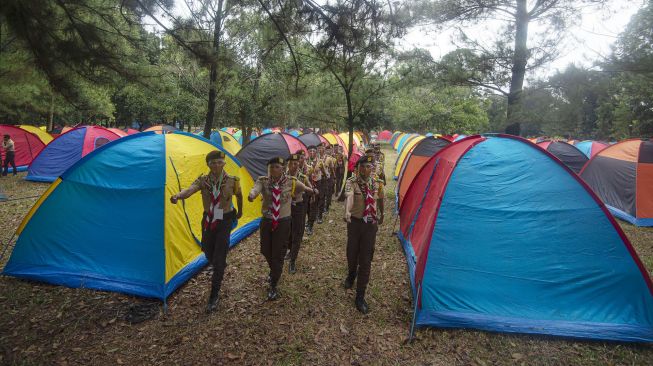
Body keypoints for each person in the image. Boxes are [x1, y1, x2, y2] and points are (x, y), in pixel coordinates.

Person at [170, 150, 243, 313]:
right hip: (209, 219)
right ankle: (218, 262)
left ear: (224, 163)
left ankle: (214, 294)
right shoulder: (203, 181)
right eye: (213, 163)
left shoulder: (232, 181)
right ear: (208, 165)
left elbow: (239, 195)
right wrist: (178, 196)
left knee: (219, 257)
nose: (216, 165)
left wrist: (240, 212)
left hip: (224, 220)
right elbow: (189, 190)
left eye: (219, 162)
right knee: (207, 249)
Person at [248, 157, 316, 300]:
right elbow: (255, 189)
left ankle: (273, 284)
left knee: (278, 253)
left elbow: (304, 187)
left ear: (283, 168)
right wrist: (252, 195)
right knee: (265, 250)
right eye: (271, 167)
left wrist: (312, 191)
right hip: (267, 221)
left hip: (283, 222)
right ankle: (274, 269)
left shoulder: (291, 182)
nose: (274, 170)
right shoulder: (263, 181)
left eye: (277, 167)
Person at [343, 155, 384, 314]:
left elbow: (379, 199)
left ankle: (360, 296)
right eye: (363, 166)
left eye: (369, 166)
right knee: (352, 254)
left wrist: (383, 213)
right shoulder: (351, 182)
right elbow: (350, 197)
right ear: (358, 168)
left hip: (370, 225)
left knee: (366, 259)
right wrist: (347, 211)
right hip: (355, 223)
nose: (366, 169)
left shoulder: (377, 184)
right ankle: (351, 273)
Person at [286, 153, 314, 274]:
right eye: (291, 164)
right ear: (288, 165)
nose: (294, 166)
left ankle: (293, 260)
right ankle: (290, 250)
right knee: (288, 232)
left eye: (296, 164)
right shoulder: (283, 177)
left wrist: (307, 191)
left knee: (297, 233)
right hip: (286, 208)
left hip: (299, 208)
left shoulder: (302, 178)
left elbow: (311, 190)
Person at [305, 146, 324, 235]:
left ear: (316, 152)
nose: (312, 152)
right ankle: (308, 220)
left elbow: (325, 172)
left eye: (314, 151)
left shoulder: (320, 162)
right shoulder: (305, 161)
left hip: (317, 184)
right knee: (307, 205)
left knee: (313, 204)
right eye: (310, 151)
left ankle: (310, 225)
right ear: (308, 152)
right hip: (307, 184)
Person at [323, 144, 336, 213]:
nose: (329, 151)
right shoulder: (323, 158)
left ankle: (327, 206)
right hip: (324, 177)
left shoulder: (333, 158)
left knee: (329, 192)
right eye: (328, 150)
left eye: (331, 150)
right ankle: (324, 206)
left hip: (330, 177)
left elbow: (333, 169)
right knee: (325, 192)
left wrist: (334, 177)